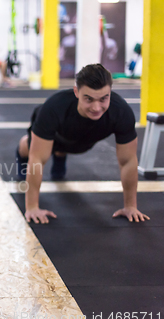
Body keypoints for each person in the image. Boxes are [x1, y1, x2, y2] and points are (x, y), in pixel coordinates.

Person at [16, 64, 149, 224]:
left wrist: (130, 206)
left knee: (74, 145)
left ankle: (60, 154)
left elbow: (128, 160)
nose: (96, 107)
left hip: (84, 140)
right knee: (29, 148)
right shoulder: (53, 108)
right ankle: (49, 153)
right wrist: (32, 207)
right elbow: (37, 158)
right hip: (55, 133)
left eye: (103, 99)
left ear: (110, 92)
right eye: (89, 99)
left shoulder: (121, 112)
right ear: (76, 92)